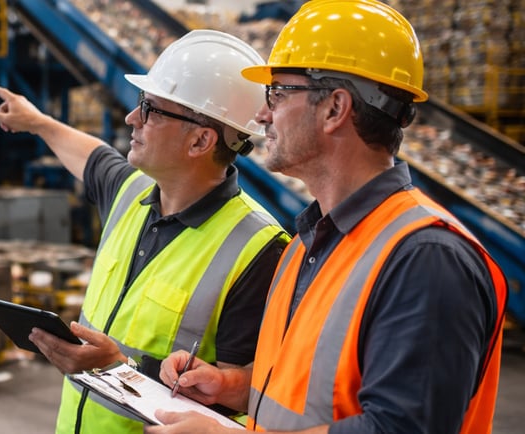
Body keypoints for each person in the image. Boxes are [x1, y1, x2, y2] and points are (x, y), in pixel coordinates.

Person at [151, 1, 507, 433]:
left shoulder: (426, 258)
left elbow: (401, 428)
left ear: (335, 108)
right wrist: (234, 386)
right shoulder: (307, 244)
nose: (262, 114)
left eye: (277, 94)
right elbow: (314, 394)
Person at [0, 29, 290, 434]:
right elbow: (91, 157)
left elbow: (237, 399)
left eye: (151, 109)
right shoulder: (131, 192)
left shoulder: (257, 250)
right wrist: (38, 122)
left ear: (201, 139)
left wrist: (119, 370)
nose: (133, 118)